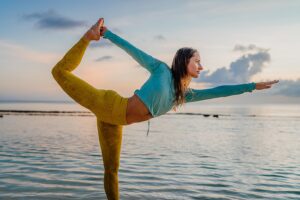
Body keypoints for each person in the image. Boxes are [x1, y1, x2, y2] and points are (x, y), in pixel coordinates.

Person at [51, 18, 279, 200]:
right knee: (59, 72)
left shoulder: (184, 95)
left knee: (112, 171)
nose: (201, 66)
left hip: (114, 121)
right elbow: (134, 51)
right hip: (109, 104)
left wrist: (250, 86)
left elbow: (218, 90)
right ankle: (87, 37)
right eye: (197, 60)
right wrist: (106, 34)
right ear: (184, 61)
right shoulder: (161, 70)